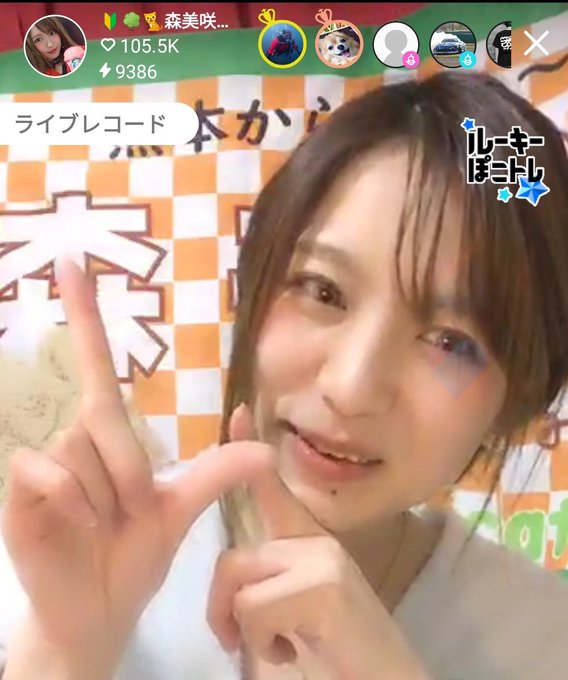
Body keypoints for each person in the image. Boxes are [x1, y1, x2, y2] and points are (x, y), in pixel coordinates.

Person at [1, 70, 568, 680]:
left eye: (451, 342)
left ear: (520, 399)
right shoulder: (65, 558)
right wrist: (64, 649)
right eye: (322, 290)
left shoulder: (542, 639)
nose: (350, 389)